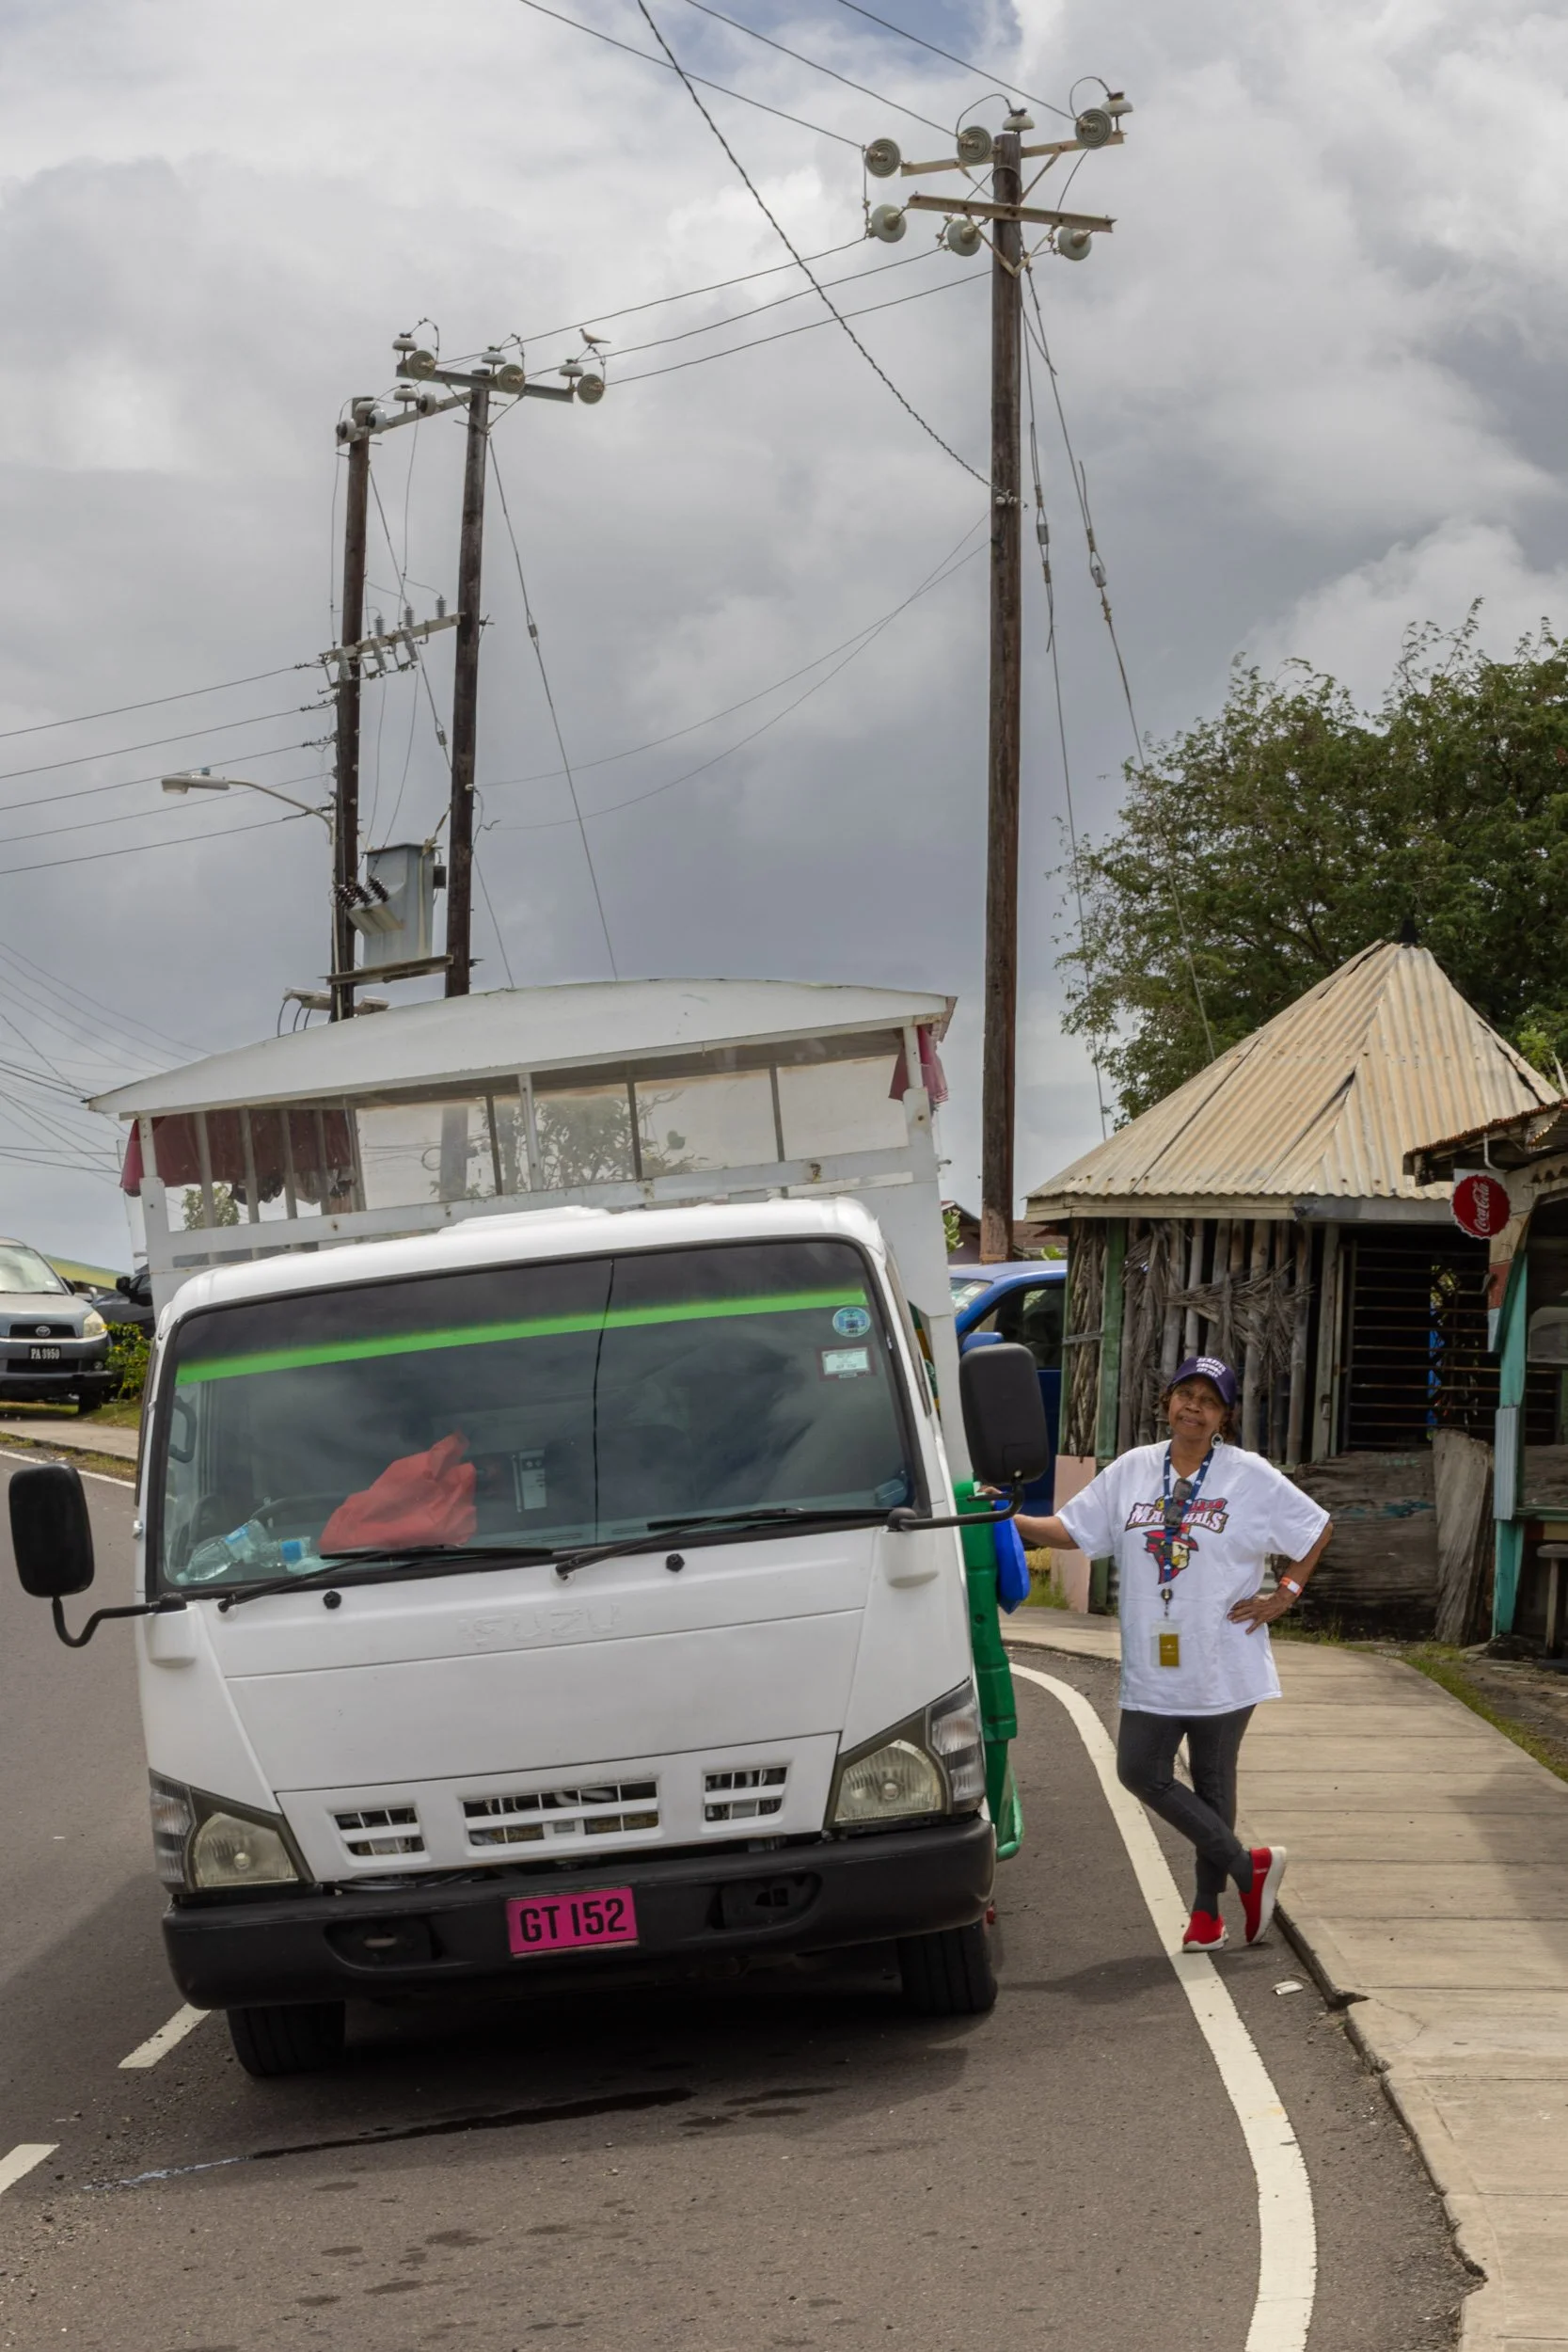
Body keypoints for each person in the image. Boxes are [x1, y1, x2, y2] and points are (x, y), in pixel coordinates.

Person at [1013, 1355, 1333, 1952]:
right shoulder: (1133, 1470)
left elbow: (1316, 1528)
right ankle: (1248, 1868)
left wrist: (1284, 1593)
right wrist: (1013, 1517)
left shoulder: (1249, 1475)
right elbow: (1072, 1530)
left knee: (1213, 1786)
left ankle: (1207, 1914)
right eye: (1186, 1394)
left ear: (1223, 1418)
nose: (1194, 1406)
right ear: (1167, 1402)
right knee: (1139, 1770)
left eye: (1209, 1401)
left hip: (1224, 1660)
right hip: (1153, 1664)